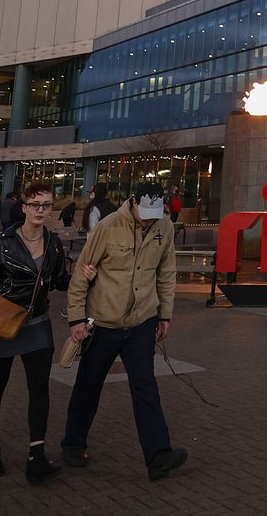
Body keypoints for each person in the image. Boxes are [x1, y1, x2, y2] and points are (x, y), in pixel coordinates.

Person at [60, 181, 188, 481]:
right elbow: (82, 271)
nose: (149, 218)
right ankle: (73, 444)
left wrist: (165, 314)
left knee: (145, 387)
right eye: (145, 212)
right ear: (133, 202)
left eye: (155, 214)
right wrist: (77, 319)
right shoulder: (108, 226)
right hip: (103, 323)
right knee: (88, 386)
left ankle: (158, 455)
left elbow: (166, 272)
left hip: (142, 322)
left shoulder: (164, 226)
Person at [0, 181, 70, 484]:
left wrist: (84, 276)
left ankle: (36, 456)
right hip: (1, 323)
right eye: (35, 204)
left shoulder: (54, 242)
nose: (41, 210)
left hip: (37, 324)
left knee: (40, 390)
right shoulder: (4, 243)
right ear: (24, 207)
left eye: (46, 205)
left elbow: (59, 281)